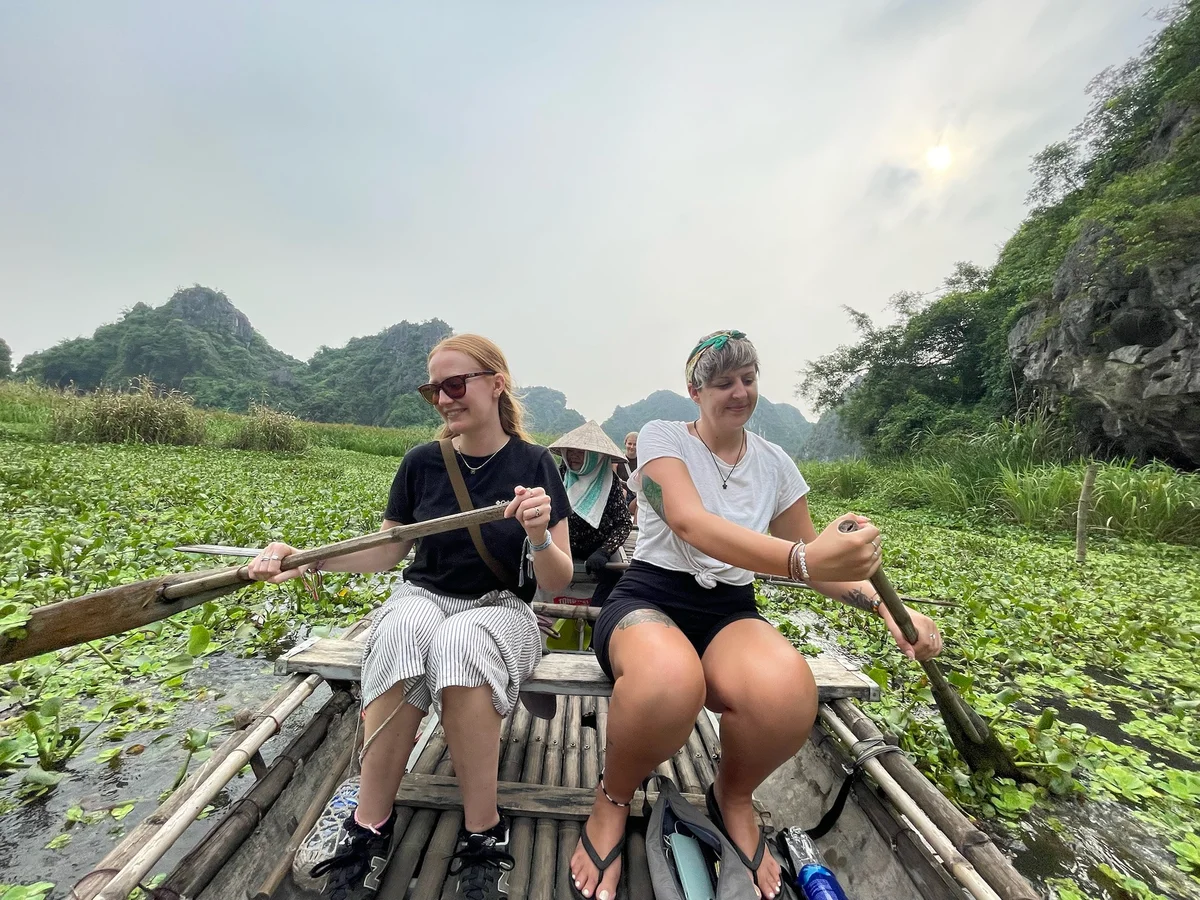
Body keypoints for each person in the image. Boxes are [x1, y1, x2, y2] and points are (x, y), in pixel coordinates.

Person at [569, 331, 944, 900]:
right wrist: (802, 558)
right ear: (695, 391)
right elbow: (691, 523)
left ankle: (733, 796)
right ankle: (613, 797)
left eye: (748, 379)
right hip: (649, 596)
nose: (739, 392)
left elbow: (819, 563)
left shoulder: (776, 464)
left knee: (787, 693)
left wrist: (884, 607)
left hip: (729, 610)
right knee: (669, 682)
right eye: (723, 382)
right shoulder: (661, 438)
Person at [249, 334, 573, 900]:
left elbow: (557, 581)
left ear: (496, 384)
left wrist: (540, 535)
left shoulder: (534, 463)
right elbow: (386, 550)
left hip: (501, 607)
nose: (444, 399)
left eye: (456, 384)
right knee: (401, 628)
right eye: (434, 389)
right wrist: (300, 557)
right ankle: (369, 824)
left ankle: (483, 833)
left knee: (463, 638)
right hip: (424, 597)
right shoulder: (423, 462)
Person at [550, 420, 634, 607]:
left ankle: (597, 618)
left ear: (595, 456)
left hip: (597, 544)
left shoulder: (608, 480)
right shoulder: (560, 474)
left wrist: (604, 551)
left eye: (581, 453)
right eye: (571, 451)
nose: (574, 457)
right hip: (563, 541)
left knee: (618, 578)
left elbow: (624, 523)